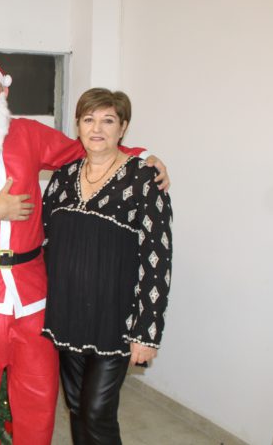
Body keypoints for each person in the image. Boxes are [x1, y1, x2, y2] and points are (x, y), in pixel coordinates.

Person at [0, 50, 169, 445]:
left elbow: (86, 149)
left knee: (38, 402)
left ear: (4, 91)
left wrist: (141, 156)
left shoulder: (29, 135)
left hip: (33, 297)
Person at [41, 88, 172, 445]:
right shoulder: (63, 177)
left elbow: (157, 258)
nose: (97, 128)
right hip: (67, 316)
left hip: (115, 320)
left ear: (123, 128)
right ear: (78, 126)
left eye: (108, 120)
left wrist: (147, 331)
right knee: (77, 407)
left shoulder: (144, 180)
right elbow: (45, 239)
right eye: (89, 119)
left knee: (97, 413)